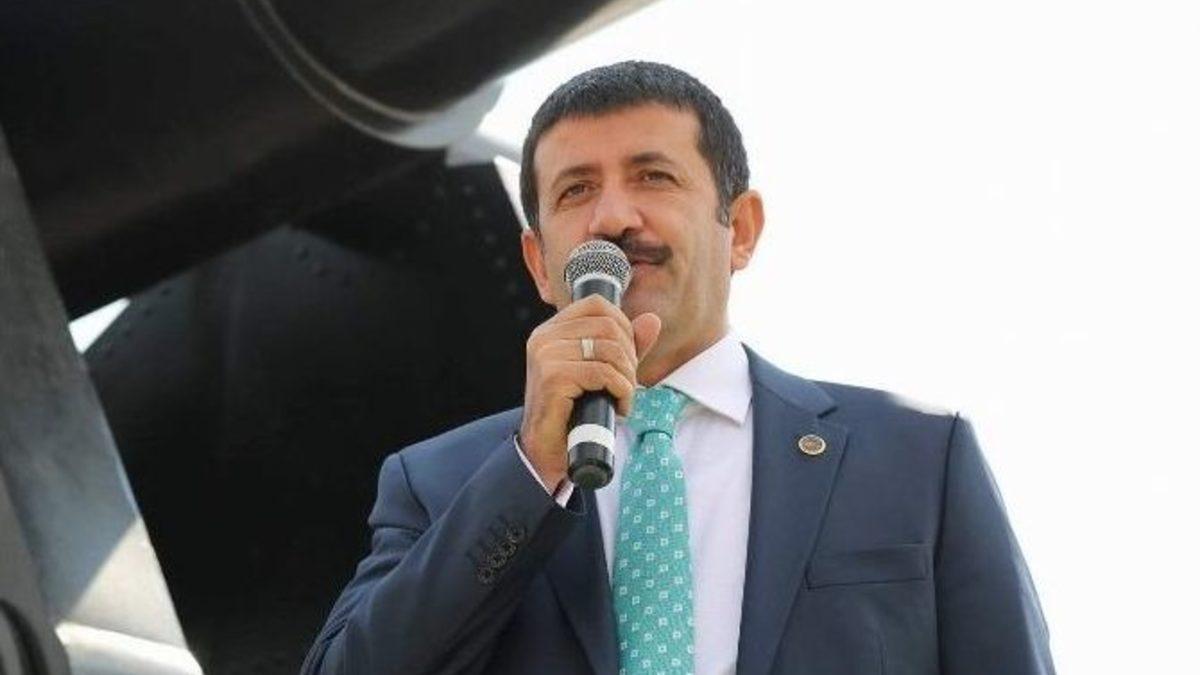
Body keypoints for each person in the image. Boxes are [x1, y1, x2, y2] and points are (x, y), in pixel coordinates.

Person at [301, 61, 1055, 675]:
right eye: (576, 190)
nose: (613, 218)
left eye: (653, 176)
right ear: (537, 262)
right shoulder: (439, 483)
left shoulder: (917, 460)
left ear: (741, 229)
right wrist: (531, 471)